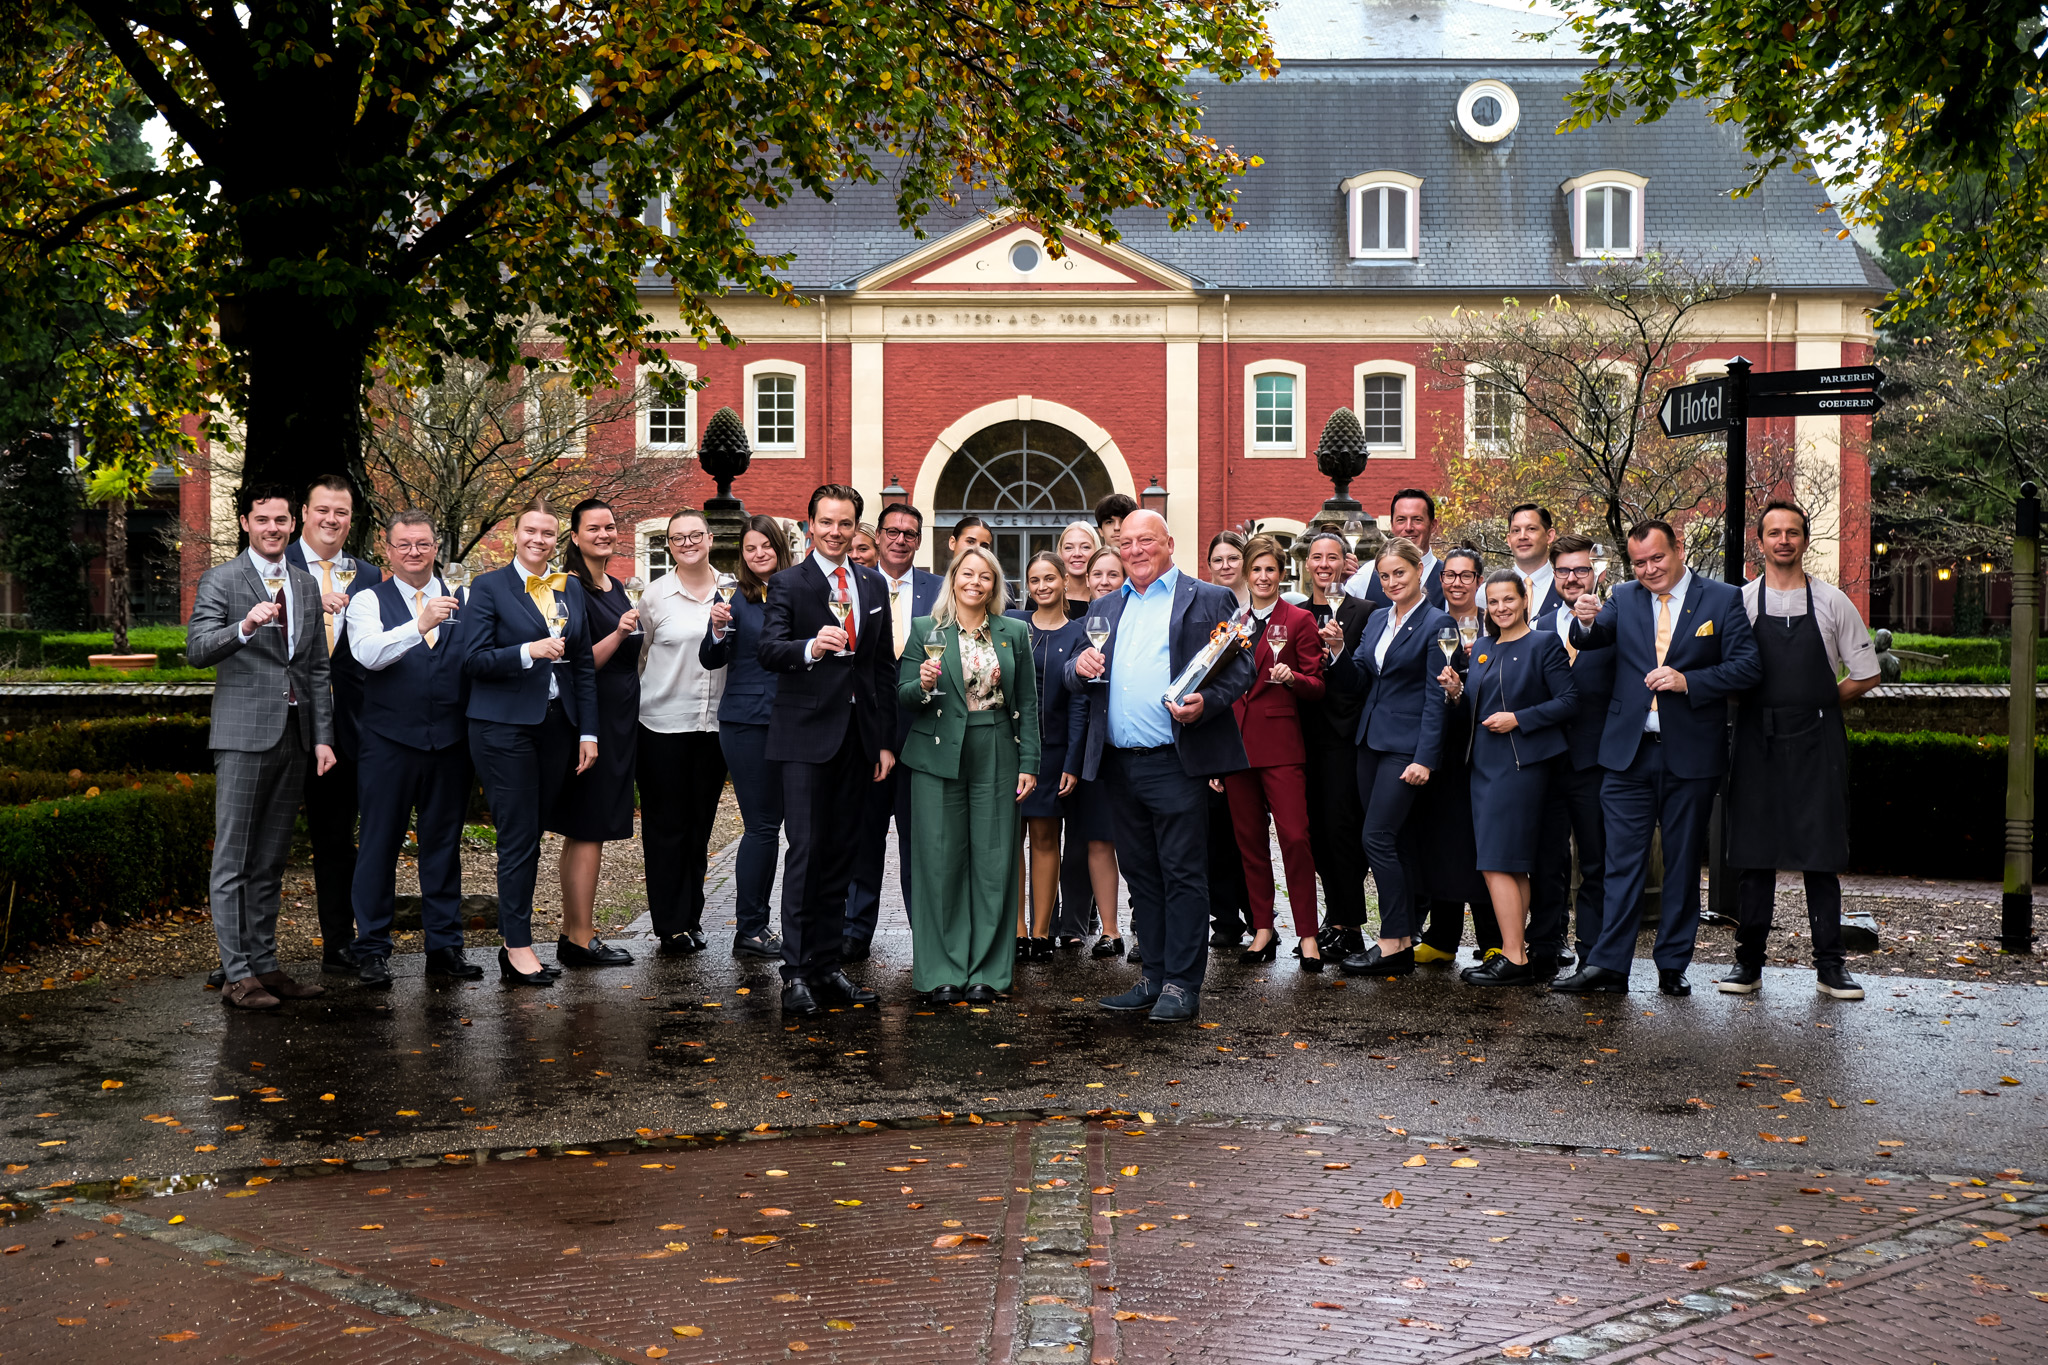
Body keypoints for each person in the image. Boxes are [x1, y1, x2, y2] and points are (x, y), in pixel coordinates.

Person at [1554, 519, 1762, 996]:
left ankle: (1672, 964)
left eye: (1657, 559)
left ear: (1679, 548)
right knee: (1618, 863)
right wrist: (1584, 617)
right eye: (1640, 562)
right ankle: (1609, 965)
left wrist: (1690, 682)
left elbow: (1748, 667)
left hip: (1690, 755)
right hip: (1627, 755)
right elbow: (1592, 638)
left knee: (1683, 863)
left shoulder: (1723, 598)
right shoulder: (1623, 597)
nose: (1649, 569)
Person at [1069, 510, 1255, 1022]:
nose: (1134, 550)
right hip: (1119, 764)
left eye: (1145, 540)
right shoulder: (1105, 604)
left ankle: (1181, 983)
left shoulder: (1208, 597)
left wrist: (1208, 703)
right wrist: (1077, 665)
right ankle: (1151, 975)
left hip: (1176, 759)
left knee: (1182, 874)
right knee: (1142, 875)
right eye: (1125, 542)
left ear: (1169, 542)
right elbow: (1076, 668)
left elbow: (1242, 667)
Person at [1719, 501, 1883, 1000]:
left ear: (1804, 540)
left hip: (1817, 741)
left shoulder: (1833, 602)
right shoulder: (1739, 602)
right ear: (1761, 541)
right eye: (1774, 533)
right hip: (1754, 739)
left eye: (1792, 532)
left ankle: (1831, 967)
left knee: (1821, 854)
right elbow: (1723, 671)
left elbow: (1867, 673)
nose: (1783, 540)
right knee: (1754, 855)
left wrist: (1817, 703)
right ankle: (1747, 964)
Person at [187, 483, 338, 1009]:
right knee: (233, 860)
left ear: (293, 523)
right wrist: (245, 626)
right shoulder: (222, 579)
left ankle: (265, 965)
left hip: (295, 738)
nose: (273, 528)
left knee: (272, 860)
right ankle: (236, 974)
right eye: (262, 520)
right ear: (246, 523)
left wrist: (323, 738)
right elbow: (198, 650)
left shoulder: (302, 582)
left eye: (281, 520)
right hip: (242, 737)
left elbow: (316, 668)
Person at [758, 483, 899, 1018]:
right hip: (805, 738)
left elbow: (881, 668)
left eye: (845, 524)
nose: (836, 533)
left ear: (856, 528)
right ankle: (794, 971)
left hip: (859, 739)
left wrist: (885, 740)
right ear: (810, 524)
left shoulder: (872, 582)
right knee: (807, 851)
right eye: (826, 523)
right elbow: (769, 650)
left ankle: (826, 964)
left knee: (844, 851)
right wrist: (811, 648)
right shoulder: (789, 584)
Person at [461, 497, 600, 986]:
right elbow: (473, 659)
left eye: (547, 533)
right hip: (503, 728)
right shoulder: (488, 587)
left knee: (534, 833)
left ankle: (518, 940)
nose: (538, 539)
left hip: (557, 727)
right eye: (530, 531)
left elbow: (582, 664)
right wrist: (527, 651)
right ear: (514, 534)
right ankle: (516, 947)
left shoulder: (570, 590)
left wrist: (587, 730)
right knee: (518, 837)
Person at [900, 547, 1040, 1003]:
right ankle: (941, 971)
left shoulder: (1014, 631)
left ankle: (989, 973)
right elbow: (903, 695)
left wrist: (1029, 763)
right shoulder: (926, 629)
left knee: (995, 862)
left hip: (997, 747)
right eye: (967, 573)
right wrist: (920, 686)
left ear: (995, 585)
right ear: (953, 579)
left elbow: (1028, 703)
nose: (975, 582)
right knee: (939, 862)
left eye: (985, 576)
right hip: (939, 752)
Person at [345, 510, 476, 987]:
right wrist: (419, 623)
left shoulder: (466, 597)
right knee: (378, 845)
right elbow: (367, 655)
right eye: (403, 545)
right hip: (388, 743)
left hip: (451, 742)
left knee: (443, 847)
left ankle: (444, 947)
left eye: (422, 544)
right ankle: (373, 949)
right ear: (388, 548)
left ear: (436, 546)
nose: (413, 553)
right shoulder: (367, 601)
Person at [1327, 537, 1454, 977]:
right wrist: (1339, 650)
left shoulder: (1439, 623)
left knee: (1376, 838)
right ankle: (1400, 939)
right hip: (1369, 742)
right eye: (1384, 575)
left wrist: (1425, 757)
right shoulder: (1379, 618)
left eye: (1400, 572)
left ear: (1420, 572)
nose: (1392, 581)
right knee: (1393, 841)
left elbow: (1436, 696)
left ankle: (1392, 941)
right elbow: (1359, 677)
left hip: (1406, 747)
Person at [1445, 571, 1577, 985]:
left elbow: (1570, 700)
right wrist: (1455, 693)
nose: (1502, 608)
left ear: (1524, 600)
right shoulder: (1481, 647)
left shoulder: (1543, 644)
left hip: (1520, 766)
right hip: (1482, 765)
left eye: (1509, 600)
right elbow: (1476, 708)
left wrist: (1519, 719)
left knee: (1497, 863)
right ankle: (1514, 952)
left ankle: (1515, 956)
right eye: (1495, 601)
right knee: (1510, 864)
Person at [286, 474, 383, 976]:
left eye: (341, 512)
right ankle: (240, 958)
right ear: (304, 512)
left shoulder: (368, 577)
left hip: (345, 726)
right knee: (259, 843)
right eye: (322, 509)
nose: (331, 520)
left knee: (335, 838)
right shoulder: (275, 566)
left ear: (351, 519)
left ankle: (338, 943)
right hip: (282, 722)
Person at [1218, 536, 1327, 970]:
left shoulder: (1298, 620)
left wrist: (1293, 679)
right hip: (1237, 747)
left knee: (1296, 838)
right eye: (1256, 570)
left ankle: (1308, 934)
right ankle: (1262, 928)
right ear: (1246, 574)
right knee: (1248, 841)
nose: (1263, 577)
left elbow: (1317, 685)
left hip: (1281, 745)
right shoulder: (1233, 621)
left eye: (1271, 570)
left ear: (1282, 575)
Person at [547, 499, 642, 966]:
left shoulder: (616, 585)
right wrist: (622, 633)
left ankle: (572, 932)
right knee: (587, 826)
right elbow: (577, 660)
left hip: (622, 717)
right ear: (574, 536)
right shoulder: (570, 589)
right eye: (593, 528)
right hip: (592, 717)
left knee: (589, 828)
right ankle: (581, 939)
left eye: (610, 525)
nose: (604, 534)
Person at [844, 502, 941, 960]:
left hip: (923, 730)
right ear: (878, 536)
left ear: (919, 541)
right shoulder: (854, 587)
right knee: (864, 833)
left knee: (920, 840)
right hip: (867, 729)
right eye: (893, 532)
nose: (901, 540)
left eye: (910, 533)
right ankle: (854, 932)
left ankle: (927, 935)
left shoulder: (939, 590)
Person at [631, 508, 727, 956]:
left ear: (709, 539)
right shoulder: (654, 596)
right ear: (669, 546)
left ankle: (691, 915)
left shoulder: (731, 590)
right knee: (666, 829)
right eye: (677, 538)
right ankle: (669, 925)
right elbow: (640, 656)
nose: (687, 543)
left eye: (695, 535)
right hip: (662, 725)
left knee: (699, 829)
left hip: (714, 727)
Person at [701, 514, 793, 960]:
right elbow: (710, 656)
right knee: (762, 827)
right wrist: (717, 627)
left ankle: (800, 922)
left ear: (780, 547)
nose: (759, 555)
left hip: (798, 722)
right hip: (748, 723)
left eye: (766, 546)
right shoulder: (734, 600)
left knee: (802, 828)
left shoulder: (800, 591)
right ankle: (751, 928)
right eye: (750, 548)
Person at [1530, 535, 1617, 977]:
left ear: (1595, 573)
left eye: (1580, 570)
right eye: (1562, 570)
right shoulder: (1540, 625)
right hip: (1545, 760)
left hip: (1594, 760)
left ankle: (1594, 951)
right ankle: (1545, 943)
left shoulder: (1614, 620)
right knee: (1546, 859)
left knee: (1596, 859)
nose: (1570, 578)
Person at [1413, 546, 1502, 970]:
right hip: (1442, 747)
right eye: (1449, 575)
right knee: (1443, 841)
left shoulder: (1495, 622)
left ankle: (1492, 939)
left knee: (1482, 844)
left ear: (1478, 581)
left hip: (1486, 746)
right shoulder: (1430, 621)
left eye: (1466, 575)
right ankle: (1442, 937)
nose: (1456, 582)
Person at [1298, 530, 1374, 956]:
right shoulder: (1297, 613)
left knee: (1342, 830)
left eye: (1332, 557)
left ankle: (1351, 925)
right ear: (1307, 564)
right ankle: (1333, 918)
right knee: (1317, 835)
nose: (1324, 564)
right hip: (1305, 736)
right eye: (1316, 557)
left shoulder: (1365, 612)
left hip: (1345, 736)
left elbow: (1363, 677)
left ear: (1346, 562)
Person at [1014, 552, 1089, 958]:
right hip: (1008, 748)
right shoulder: (1012, 623)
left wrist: (1072, 762)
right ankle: (1018, 930)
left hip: (1054, 750)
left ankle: (1042, 932)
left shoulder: (1078, 634)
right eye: (1034, 580)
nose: (1041, 587)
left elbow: (1081, 704)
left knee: (1045, 838)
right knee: (1010, 840)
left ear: (1063, 581)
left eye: (1049, 579)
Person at [1073, 545, 1130, 959]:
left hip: (1132, 743)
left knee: (1140, 842)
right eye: (1099, 574)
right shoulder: (1079, 626)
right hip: (1094, 746)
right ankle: (1109, 930)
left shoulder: (1135, 620)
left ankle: (1146, 927)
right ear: (1088, 579)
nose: (1105, 581)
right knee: (1098, 840)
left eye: (1114, 574)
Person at [1200, 528, 1254, 949]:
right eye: (1216, 560)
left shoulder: (1267, 611)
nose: (1224, 566)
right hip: (1216, 730)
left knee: (1251, 833)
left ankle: (1259, 914)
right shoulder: (1204, 611)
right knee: (1217, 833)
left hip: (1261, 731)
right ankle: (1226, 919)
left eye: (1232, 559)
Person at [1343, 490, 1446, 607]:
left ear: (1433, 526)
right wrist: (1339, 580)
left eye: (1417, 519)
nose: (1408, 527)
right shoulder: (1366, 574)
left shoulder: (1449, 577)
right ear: (1392, 525)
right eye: (1401, 520)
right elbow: (1339, 614)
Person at [1506, 504, 1565, 619]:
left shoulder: (1568, 587)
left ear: (1549, 536)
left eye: (1531, 529)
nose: (1522, 536)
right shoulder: (1488, 591)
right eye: (1516, 530)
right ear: (1509, 540)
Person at [1057, 521, 1099, 621]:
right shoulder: (1045, 595)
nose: (1077, 554)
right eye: (1069, 547)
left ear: (1096, 550)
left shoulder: (1107, 595)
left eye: (1085, 547)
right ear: (1060, 553)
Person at [1207, 530, 1249, 607]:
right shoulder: (1199, 608)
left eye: (1233, 558)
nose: (1225, 566)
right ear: (1210, 565)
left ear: (1246, 561)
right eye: (1218, 560)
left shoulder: (1264, 607)